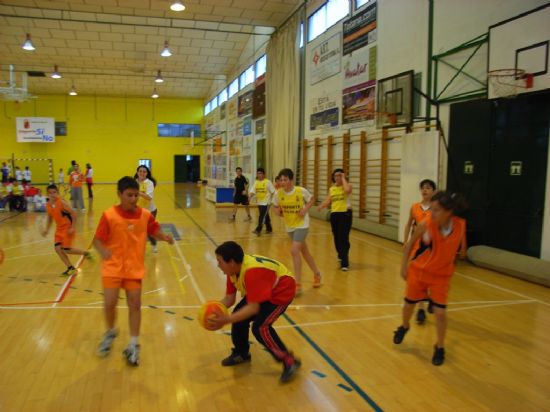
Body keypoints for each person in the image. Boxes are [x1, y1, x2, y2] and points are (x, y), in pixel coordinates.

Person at [93, 177, 174, 366]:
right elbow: (97, 239)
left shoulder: (145, 215)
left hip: (133, 268)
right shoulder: (109, 215)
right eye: (129, 195)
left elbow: (155, 230)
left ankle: (133, 344)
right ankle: (111, 331)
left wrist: (165, 237)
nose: (133, 199)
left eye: (136, 195)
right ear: (119, 194)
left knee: (135, 305)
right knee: (109, 303)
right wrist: (103, 251)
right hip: (112, 267)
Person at [208, 241, 300, 383]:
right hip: (264, 288)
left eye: (220, 262)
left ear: (231, 262)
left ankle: (289, 360)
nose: (218, 265)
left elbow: (253, 308)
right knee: (239, 315)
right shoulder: (232, 270)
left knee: (260, 328)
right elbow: (229, 299)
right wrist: (213, 309)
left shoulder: (252, 271)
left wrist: (226, 319)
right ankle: (241, 353)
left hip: (281, 292)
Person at [393, 191, 467, 366]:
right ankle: (404, 326)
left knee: (440, 314)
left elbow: (461, 240)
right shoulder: (426, 225)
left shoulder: (460, 225)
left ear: (448, 212)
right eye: (431, 209)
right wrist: (403, 267)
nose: (431, 214)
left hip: (441, 276)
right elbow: (410, 245)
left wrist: (463, 249)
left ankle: (440, 347)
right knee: (408, 307)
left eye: (436, 210)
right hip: (419, 273)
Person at [272, 168, 321, 295]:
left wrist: (305, 210)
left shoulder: (300, 191)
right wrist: (277, 211)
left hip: (302, 225)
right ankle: (317, 274)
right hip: (290, 226)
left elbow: (312, 199)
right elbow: (275, 206)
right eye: (281, 180)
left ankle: (297, 284)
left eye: (285, 180)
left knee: (294, 251)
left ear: (291, 180)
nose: (283, 182)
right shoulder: (279, 194)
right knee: (305, 252)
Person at [403, 179, 437, 324]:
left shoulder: (437, 209)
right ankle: (421, 309)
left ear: (433, 191)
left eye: (428, 188)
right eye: (423, 188)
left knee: (430, 277)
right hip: (417, 248)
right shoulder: (415, 207)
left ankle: (431, 298)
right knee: (417, 279)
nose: (425, 190)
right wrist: (406, 241)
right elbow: (408, 224)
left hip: (432, 249)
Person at [41, 184, 90, 276]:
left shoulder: (62, 203)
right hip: (59, 229)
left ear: (57, 193)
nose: (52, 194)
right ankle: (70, 268)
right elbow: (50, 218)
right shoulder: (48, 205)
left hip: (67, 228)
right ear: (47, 194)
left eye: (54, 192)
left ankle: (85, 253)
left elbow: (73, 214)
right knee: (57, 249)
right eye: (50, 193)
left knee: (66, 250)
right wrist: (46, 229)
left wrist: (72, 227)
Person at [317, 168, 353, 271]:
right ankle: (341, 253)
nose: (337, 177)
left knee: (343, 237)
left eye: (339, 175)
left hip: (345, 214)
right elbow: (328, 201)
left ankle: (345, 263)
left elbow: (347, 190)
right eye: (335, 175)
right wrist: (321, 206)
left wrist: (343, 178)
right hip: (335, 215)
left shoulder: (347, 186)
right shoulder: (332, 189)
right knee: (336, 237)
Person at [134, 165, 159, 253]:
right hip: (138, 210)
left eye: (144, 171)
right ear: (137, 172)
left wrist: (138, 192)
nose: (142, 173)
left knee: (149, 230)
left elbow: (148, 197)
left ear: (147, 173)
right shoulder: (134, 182)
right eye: (140, 171)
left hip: (150, 211)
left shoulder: (149, 183)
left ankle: (154, 244)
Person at [249, 168, 275, 236]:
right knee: (265, 216)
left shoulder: (267, 182)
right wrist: (249, 197)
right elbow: (252, 191)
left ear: (264, 174)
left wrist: (271, 201)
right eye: (258, 173)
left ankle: (258, 230)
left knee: (262, 216)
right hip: (259, 202)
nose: (259, 175)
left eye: (260, 173)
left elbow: (273, 192)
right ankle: (269, 229)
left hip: (266, 203)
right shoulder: (256, 182)